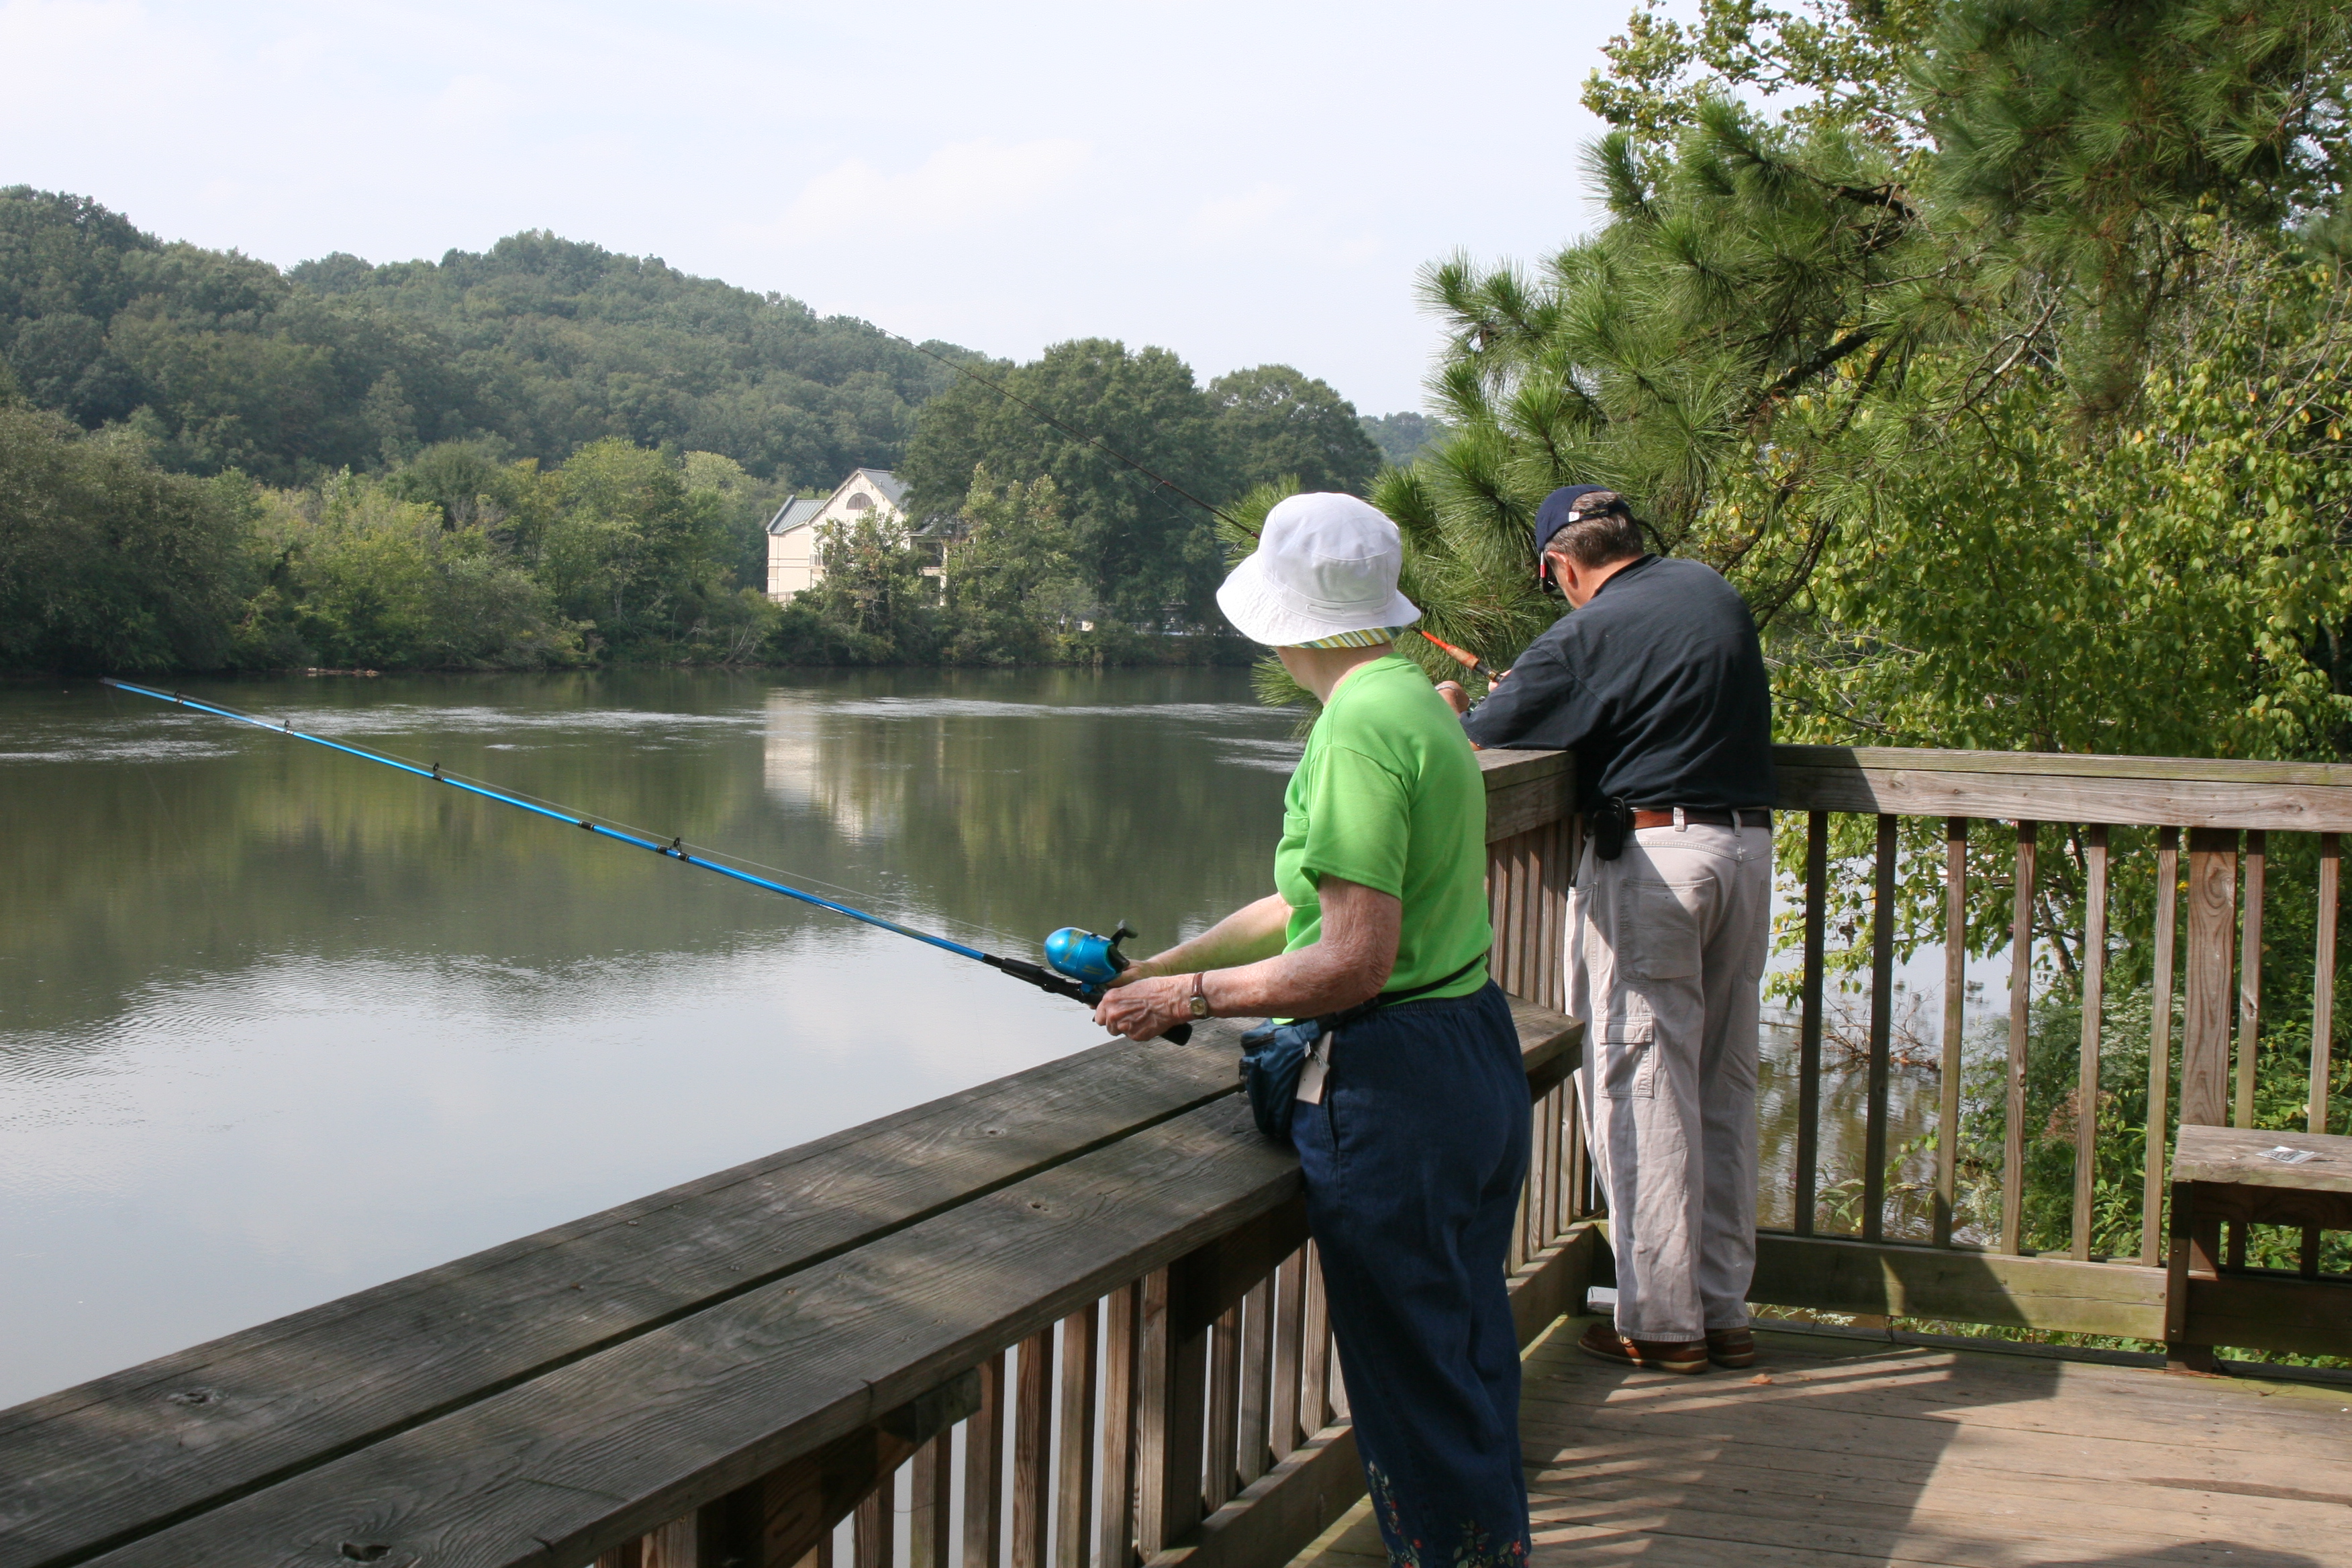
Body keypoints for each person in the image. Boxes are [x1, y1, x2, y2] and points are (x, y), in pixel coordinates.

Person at [1094, 492, 1532, 1568]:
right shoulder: (1420, 704)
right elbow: (1305, 909)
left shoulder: (1358, 730)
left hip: (1393, 1087)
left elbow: (1349, 961)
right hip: (1471, 1052)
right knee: (1465, 1355)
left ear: (1286, 622)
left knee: (1414, 1386)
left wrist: (1184, 1007)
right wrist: (1167, 964)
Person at [1438, 485, 1773, 1377]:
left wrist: (1448, 702)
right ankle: (1723, 1310)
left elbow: (1474, 736)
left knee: (1639, 1081)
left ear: (1563, 565)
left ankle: (1661, 1325)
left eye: (1553, 583)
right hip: (1745, 852)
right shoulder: (1709, 590)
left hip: (1658, 863)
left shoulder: (1590, 630)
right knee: (1722, 1084)